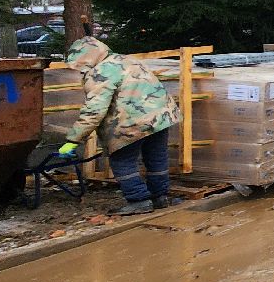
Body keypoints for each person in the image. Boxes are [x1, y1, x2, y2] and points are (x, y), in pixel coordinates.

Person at [57, 36, 183, 215]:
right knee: (156, 157)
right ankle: (159, 197)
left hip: (132, 123)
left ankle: (138, 199)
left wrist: (73, 139)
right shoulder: (127, 59)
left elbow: (94, 111)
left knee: (122, 160)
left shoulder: (100, 72)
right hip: (161, 116)